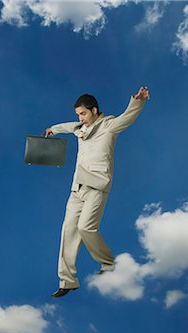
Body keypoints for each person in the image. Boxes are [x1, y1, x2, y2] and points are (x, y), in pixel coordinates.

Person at [45, 86, 150, 298]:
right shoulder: (79, 128)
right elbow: (68, 126)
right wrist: (52, 129)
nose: (80, 118)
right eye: (78, 114)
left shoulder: (109, 126)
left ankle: (107, 261)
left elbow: (127, 117)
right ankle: (68, 281)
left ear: (94, 110)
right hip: (77, 188)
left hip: (97, 185)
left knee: (86, 228)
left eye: (83, 113)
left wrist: (137, 101)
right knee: (68, 231)